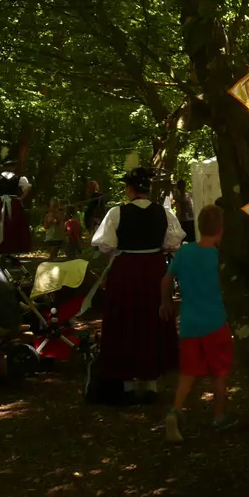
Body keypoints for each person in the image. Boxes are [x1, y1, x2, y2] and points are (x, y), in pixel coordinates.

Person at [87, 166, 184, 406]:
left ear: (129, 189)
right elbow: (173, 243)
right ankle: (151, 384)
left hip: (126, 270)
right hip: (153, 270)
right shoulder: (164, 213)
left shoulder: (116, 213)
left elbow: (104, 245)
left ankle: (127, 385)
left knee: (125, 318)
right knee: (152, 319)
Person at [160, 205, 234, 442]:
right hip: (216, 323)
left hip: (190, 325)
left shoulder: (184, 253)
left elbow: (165, 280)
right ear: (221, 230)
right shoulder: (219, 259)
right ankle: (219, 416)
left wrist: (166, 303)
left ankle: (176, 411)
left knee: (188, 373)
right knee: (220, 373)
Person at [0, 160, 33, 255]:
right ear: (13, 167)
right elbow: (28, 187)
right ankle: (14, 248)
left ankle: (2, 248)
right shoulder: (18, 178)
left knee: (1, 224)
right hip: (14, 203)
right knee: (14, 223)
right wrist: (21, 198)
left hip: (2, 203)